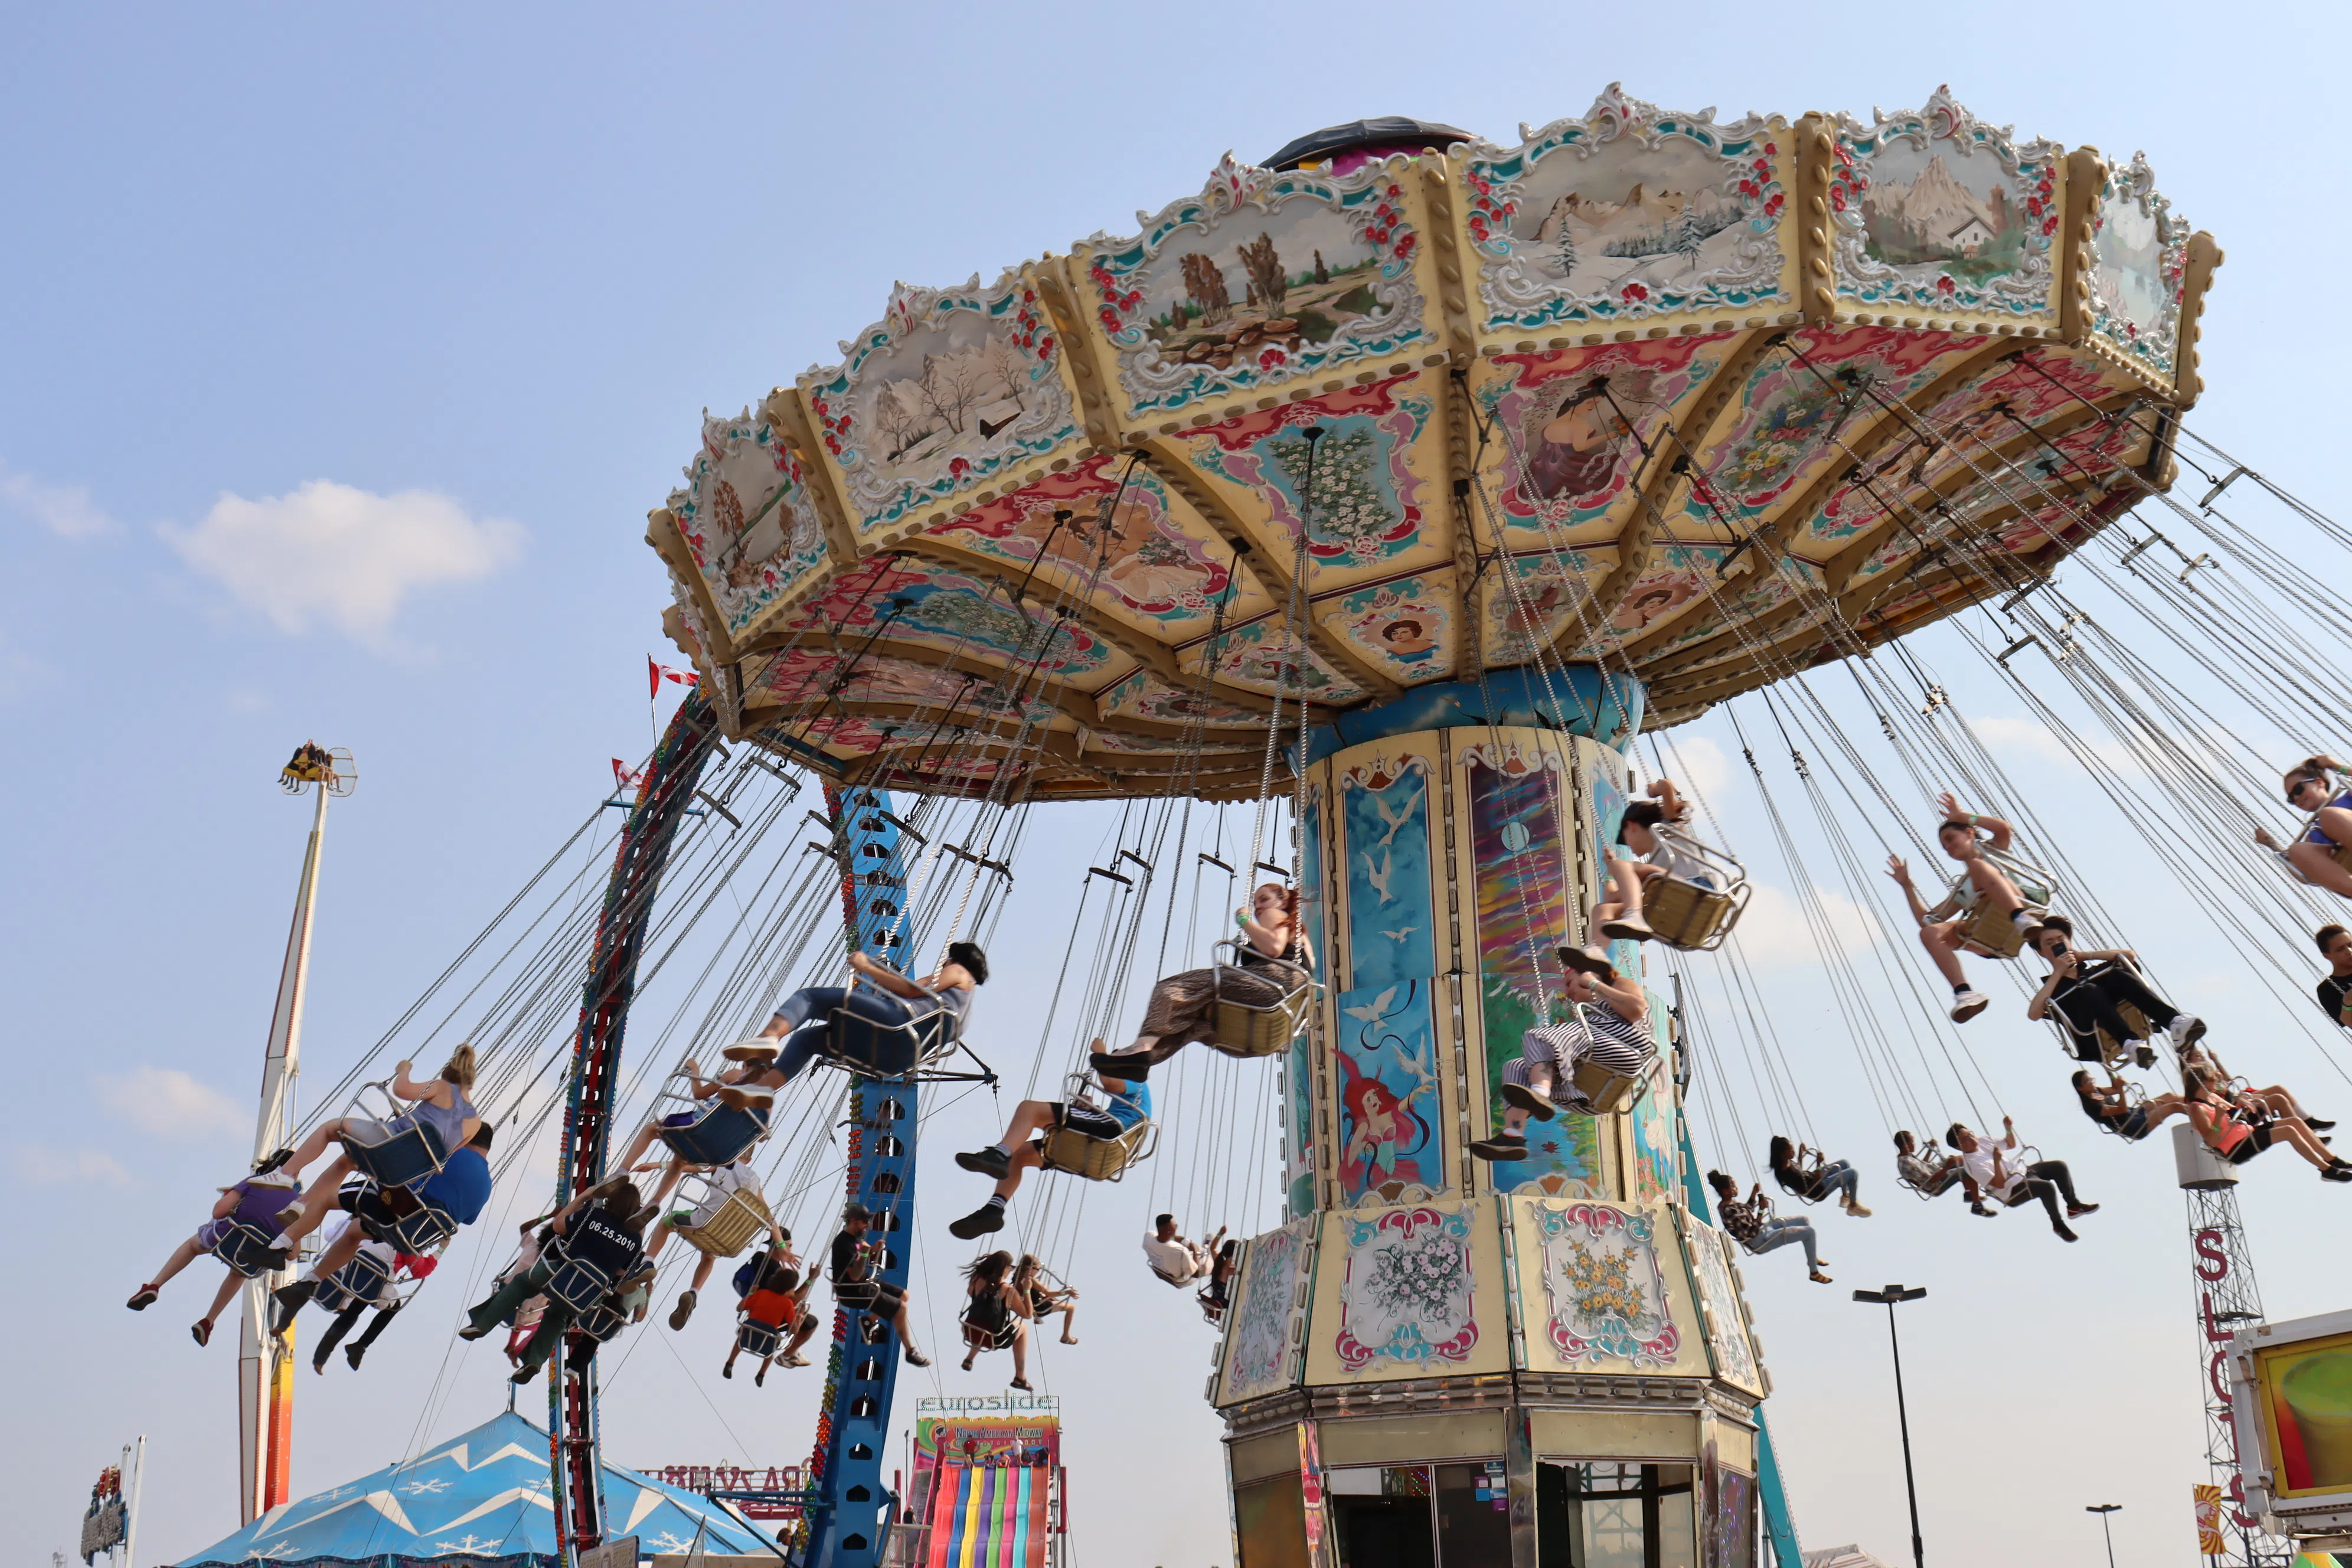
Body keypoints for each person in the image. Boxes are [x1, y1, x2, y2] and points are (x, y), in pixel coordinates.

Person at [270, 1122, 496, 1332]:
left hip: (391, 1209)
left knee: (325, 1198)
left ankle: (282, 1245)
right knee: (354, 1233)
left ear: (469, 1135)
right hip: (411, 1236)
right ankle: (310, 1281)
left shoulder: (452, 1151)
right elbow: (467, 1220)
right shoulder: (486, 1187)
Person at [264, 1048, 482, 1250]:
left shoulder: (442, 1087)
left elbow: (401, 1090)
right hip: (405, 1171)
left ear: (448, 1074)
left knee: (330, 1128)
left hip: (388, 1144)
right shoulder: (475, 1124)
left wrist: (403, 1070)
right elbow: (445, 1154)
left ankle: (285, 1174)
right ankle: (299, 1207)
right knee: (348, 1161)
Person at [1089, 884, 1311, 1080]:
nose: (1259, 908)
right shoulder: (1300, 935)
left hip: (1275, 983)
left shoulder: (1276, 914)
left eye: (1264, 899)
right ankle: (1143, 1058)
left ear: (1283, 901)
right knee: (1195, 1023)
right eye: (1255, 904)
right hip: (1287, 1004)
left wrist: (1244, 920)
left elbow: (1273, 948)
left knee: (1175, 988)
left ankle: (1141, 1047)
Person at [459, 1177, 649, 1384]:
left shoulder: (593, 1215)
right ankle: (534, 1362)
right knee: (558, 1316)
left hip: (562, 1273)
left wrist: (585, 1196)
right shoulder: (634, 1241)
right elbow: (622, 1272)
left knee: (523, 1284)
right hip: (588, 1295)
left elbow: (559, 1226)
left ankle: (482, 1324)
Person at [1471, 959, 1653, 1161]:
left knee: (1539, 1038)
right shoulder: (1592, 1016)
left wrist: (1594, 984)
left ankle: (1540, 1093)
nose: (1567, 993)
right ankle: (1513, 1136)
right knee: (1516, 1068)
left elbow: (1637, 1010)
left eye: (1569, 983)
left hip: (1625, 1047)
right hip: (1588, 1094)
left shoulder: (1617, 985)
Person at [1887, 795, 2045, 1022]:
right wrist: (1907, 886)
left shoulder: (1994, 852)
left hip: (2021, 903)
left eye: (1951, 839)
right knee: (1929, 933)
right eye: (1945, 846)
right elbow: (1928, 920)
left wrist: (1962, 817)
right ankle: (1964, 992)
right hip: (1988, 936)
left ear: (1969, 834)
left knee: (1978, 866)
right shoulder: (1964, 888)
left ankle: (2020, 916)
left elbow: (2003, 829)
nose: (1949, 848)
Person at [948, 1066, 1150, 1239]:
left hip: (1111, 1131)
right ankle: (994, 1210)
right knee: (1018, 1155)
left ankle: (999, 1154)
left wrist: (1100, 1055)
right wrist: (1089, 1109)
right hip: (1102, 1144)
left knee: (1030, 1109)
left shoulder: (1137, 1080)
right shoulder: (1131, 1102)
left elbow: (1111, 1083)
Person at [750, 942, 988, 1086]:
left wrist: (865, 967)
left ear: (956, 961)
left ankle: (767, 1039)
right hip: (896, 1059)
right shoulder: (964, 1012)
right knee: (807, 1039)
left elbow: (910, 990)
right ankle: (761, 1091)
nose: (944, 965)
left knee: (810, 998)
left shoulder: (959, 972)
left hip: (899, 1025)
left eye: (946, 962)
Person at [126, 1170, 300, 1347]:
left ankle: (155, 1285)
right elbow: (293, 1254)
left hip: (225, 1238)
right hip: (251, 1259)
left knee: (192, 1246)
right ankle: (208, 1321)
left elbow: (219, 1212)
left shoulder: (255, 1181)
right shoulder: (299, 1202)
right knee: (239, 1273)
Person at [2023, 918, 2203, 1066]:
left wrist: (2085, 956)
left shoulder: (2094, 974)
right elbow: (2034, 1014)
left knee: (2117, 973)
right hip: (2091, 1037)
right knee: (2087, 990)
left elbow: (2129, 957)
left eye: (2061, 939)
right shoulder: (2052, 989)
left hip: (2108, 1005)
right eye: (2050, 943)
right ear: (2041, 952)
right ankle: (2129, 1043)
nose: (2057, 945)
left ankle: (2174, 1022)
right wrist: (2058, 973)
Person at [645, 1156, 784, 1332]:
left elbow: (686, 1167)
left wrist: (658, 1165)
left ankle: (647, 1262)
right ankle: (694, 1292)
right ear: (749, 1160)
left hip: (704, 1222)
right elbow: (769, 1218)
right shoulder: (755, 1182)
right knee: (709, 1256)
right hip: (727, 1238)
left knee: (666, 1223)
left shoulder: (723, 1163)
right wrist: (782, 1247)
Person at [1594, 779, 1721, 944]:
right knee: (1603, 910)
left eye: (1626, 840)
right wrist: (1611, 871)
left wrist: (1653, 790)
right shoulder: (1654, 866)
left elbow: (1666, 787)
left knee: (1626, 868)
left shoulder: (1668, 831)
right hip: (1673, 903)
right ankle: (1596, 953)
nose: (1629, 848)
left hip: (1696, 889)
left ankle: (1634, 915)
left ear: (1632, 827)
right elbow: (1612, 899)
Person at [2184, 1067, 2350, 1181]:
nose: (2216, 1084)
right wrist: (2219, 1117)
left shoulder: (2213, 1098)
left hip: (2247, 1133)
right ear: (2202, 1082)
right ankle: (2326, 1169)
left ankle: (2331, 1159)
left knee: (2295, 1122)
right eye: (2212, 1080)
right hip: (2238, 1147)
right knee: (2289, 1131)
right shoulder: (2198, 1108)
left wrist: (2240, 1103)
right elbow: (2211, 1140)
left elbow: (2233, 1111)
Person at [1949, 1119, 2100, 1240]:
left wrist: (2008, 1129)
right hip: (2012, 1190)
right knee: (2046, 1188)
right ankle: (2058, 1224)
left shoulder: (1983, 1141)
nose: (1972, 1138)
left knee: (2059, 1166)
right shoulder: (1972, 1164)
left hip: (2023, 1172)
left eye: (1970, 1134)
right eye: (1966, 1139)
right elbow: (1999, 1184)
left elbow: (2010, 1144)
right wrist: (1996, 1161)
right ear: (1959, 1147)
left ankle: (2073, 1206)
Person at [828, 1204, 930, 1366]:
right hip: (853, 1290)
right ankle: (910, 1352)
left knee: (904, 1295)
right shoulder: (843, 1244)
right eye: (864, 1221)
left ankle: (869, 1320)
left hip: (864, 1282)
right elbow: (854, 1276)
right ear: (853, 1221)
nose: (868, 1225)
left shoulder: (856, 1239)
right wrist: (865, 1254)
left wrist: (872, 1251)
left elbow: (861, 1259)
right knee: (901, 1308)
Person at [2178, 1041, 2338, 1133]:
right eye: (2198, 1056)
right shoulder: (2196, 1080)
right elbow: (2218, 1091)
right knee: (2277, 1097)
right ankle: (2306, 1128)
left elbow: (2228, 1081)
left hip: (2235, 1097)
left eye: (2202, 1055)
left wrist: (2216, 1062)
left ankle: (2308, 1121)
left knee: (2279, 1089)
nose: (2202, 1058)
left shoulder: (2208, 1072)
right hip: (2233, 1105)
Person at [1707, 1171, 1831, 1284]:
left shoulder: (1732, 1204)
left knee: (1804, 1220)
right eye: (1733, 1186)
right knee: (1809, 1232)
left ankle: (1812, 1256)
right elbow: (1752, 1232)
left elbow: (1747, 1209)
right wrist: (1761, 1210)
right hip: (1760, 1240)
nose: (1736, 1188)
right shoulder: (1729, 1211)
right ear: (1726, 1191)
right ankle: (1814, 1273)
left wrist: (1754, 1193)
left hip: (1763, 1230)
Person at [2256, 756, 2352, 899]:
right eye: (2291, 799)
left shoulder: (2347, 796)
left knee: (2328, 815)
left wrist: (2337, 766)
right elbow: (2302, 872)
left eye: (2299, 789)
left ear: (2319, 783)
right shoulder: (2315, 833)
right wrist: (2273, 846)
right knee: (2297, 850)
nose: (2296, 798)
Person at [724, 1252, 817, 1385]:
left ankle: (730, 1362)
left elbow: (740, 1308)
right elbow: (794, 1331)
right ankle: (761, 1374)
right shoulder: (787, 1304)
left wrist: (751, 1293)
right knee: (774, 1342)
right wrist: (800, 1315)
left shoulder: (761, 1294)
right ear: (788, 1290)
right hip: (768, 1341)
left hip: (748, 1335)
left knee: (743, 1332)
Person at [957, 1252, 1035, 1390]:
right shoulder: (1007, 1290)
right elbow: (1028, 1314)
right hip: (994, 1339)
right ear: (1004, 1268)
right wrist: (1027, 1291)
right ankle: (1020, 1376)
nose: (1011, 1271)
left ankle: (970, 1358)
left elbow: (971, 1293)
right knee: (1022, 1327)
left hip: (969, 1331)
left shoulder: (977, 1279)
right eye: (1010, 1267)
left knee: (982, 1321)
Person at [2072, 1070, 2190, 1144]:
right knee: (2174, 1107)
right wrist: (2122, 1090)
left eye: (2092, 1080)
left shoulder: (2096, 1091)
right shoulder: (2092, 1107)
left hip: (2134, 1114)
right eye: (2088, 1082)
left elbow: (2114, 1089)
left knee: (2170, 1097)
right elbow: (2121, 1110)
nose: (2092, 1083)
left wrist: (2111, 1074)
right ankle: (2201, 1114)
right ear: (2080, 1088)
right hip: (2133, 1127)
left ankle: (2198, 1101)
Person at [1768, 1134, 1871, 1217]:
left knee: (1844, 1164)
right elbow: (1813, 1186)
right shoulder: (1789, 1175)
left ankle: (1845, 1197)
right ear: (1783, 1154)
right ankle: (1853, 1207)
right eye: (1791, 1150)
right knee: (1853, 1173)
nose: (1793, 1151)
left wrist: (1800, 1154)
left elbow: (1798, 1169)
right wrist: (1818, 1164)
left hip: (1814, 1178)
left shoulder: (1786, 1163)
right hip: (1819, 1189)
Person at [1140, 1215, 1223, 1290]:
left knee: (1192, 1248)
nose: (1176, 1228)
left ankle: (1205, 1250)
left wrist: (1181, 1241)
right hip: (1185, 1279)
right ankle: (1219, 1265)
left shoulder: (1148, 1237)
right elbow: (1196, 1274)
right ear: (1169, 1229)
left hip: (1167, 1270)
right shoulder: (1180, 1251)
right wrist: (1193, 1249)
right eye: (1175, 1226)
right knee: (1212, 1262)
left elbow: (1165, 1239)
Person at [1012, 1255, 1077, 1346]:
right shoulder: (1030, 1280)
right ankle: (1066, 1336)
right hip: (1041, 1307)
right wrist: (1067, 1293)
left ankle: (1037, 1318)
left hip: (1031, 1305)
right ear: (1031, 1269)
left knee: (1051, 1298)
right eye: (1037, 1270)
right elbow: (1049, 1293)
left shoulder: (1016, 1277)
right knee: (1071, 1308)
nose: (1038, 1272)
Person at [1892, 1131, 1963, 1198]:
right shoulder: (1907, 1163)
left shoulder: (1908, 1158)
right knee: (1964, 1171)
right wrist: (1947, 1167)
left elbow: (1923, 1166)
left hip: (1935, 1173)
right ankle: (1970, 1194)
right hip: (1937, 1183)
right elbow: (1929, 1182)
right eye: (1913, 1141)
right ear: (1905, 1145)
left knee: (1959, 1159)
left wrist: (1930, 1149)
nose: (1915, 1144)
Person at [2314, 925, 2352, 1029]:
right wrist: (2347, 1003)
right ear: (2327, 955)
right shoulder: (2327, 989)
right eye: (2340, 949)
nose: (2349, 951)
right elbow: (2348, 1022)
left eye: (2350, 945)